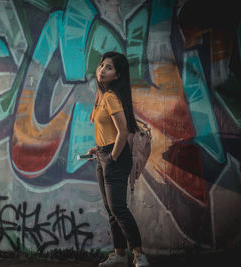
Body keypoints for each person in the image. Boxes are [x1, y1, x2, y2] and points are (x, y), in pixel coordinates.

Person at [87, 51, 150, 267]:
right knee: (110, 208)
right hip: (103, 155)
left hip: (115, 158)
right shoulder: (102, 96)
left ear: (117, 75)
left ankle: (139, 255)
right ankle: (120, 255)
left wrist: (112, 157)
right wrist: (99, 149)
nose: (102, 70)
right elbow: (109, 131)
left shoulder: (111, 97)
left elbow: (123, 132)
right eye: (101, 65)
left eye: (109, 67)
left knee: (118, 208)